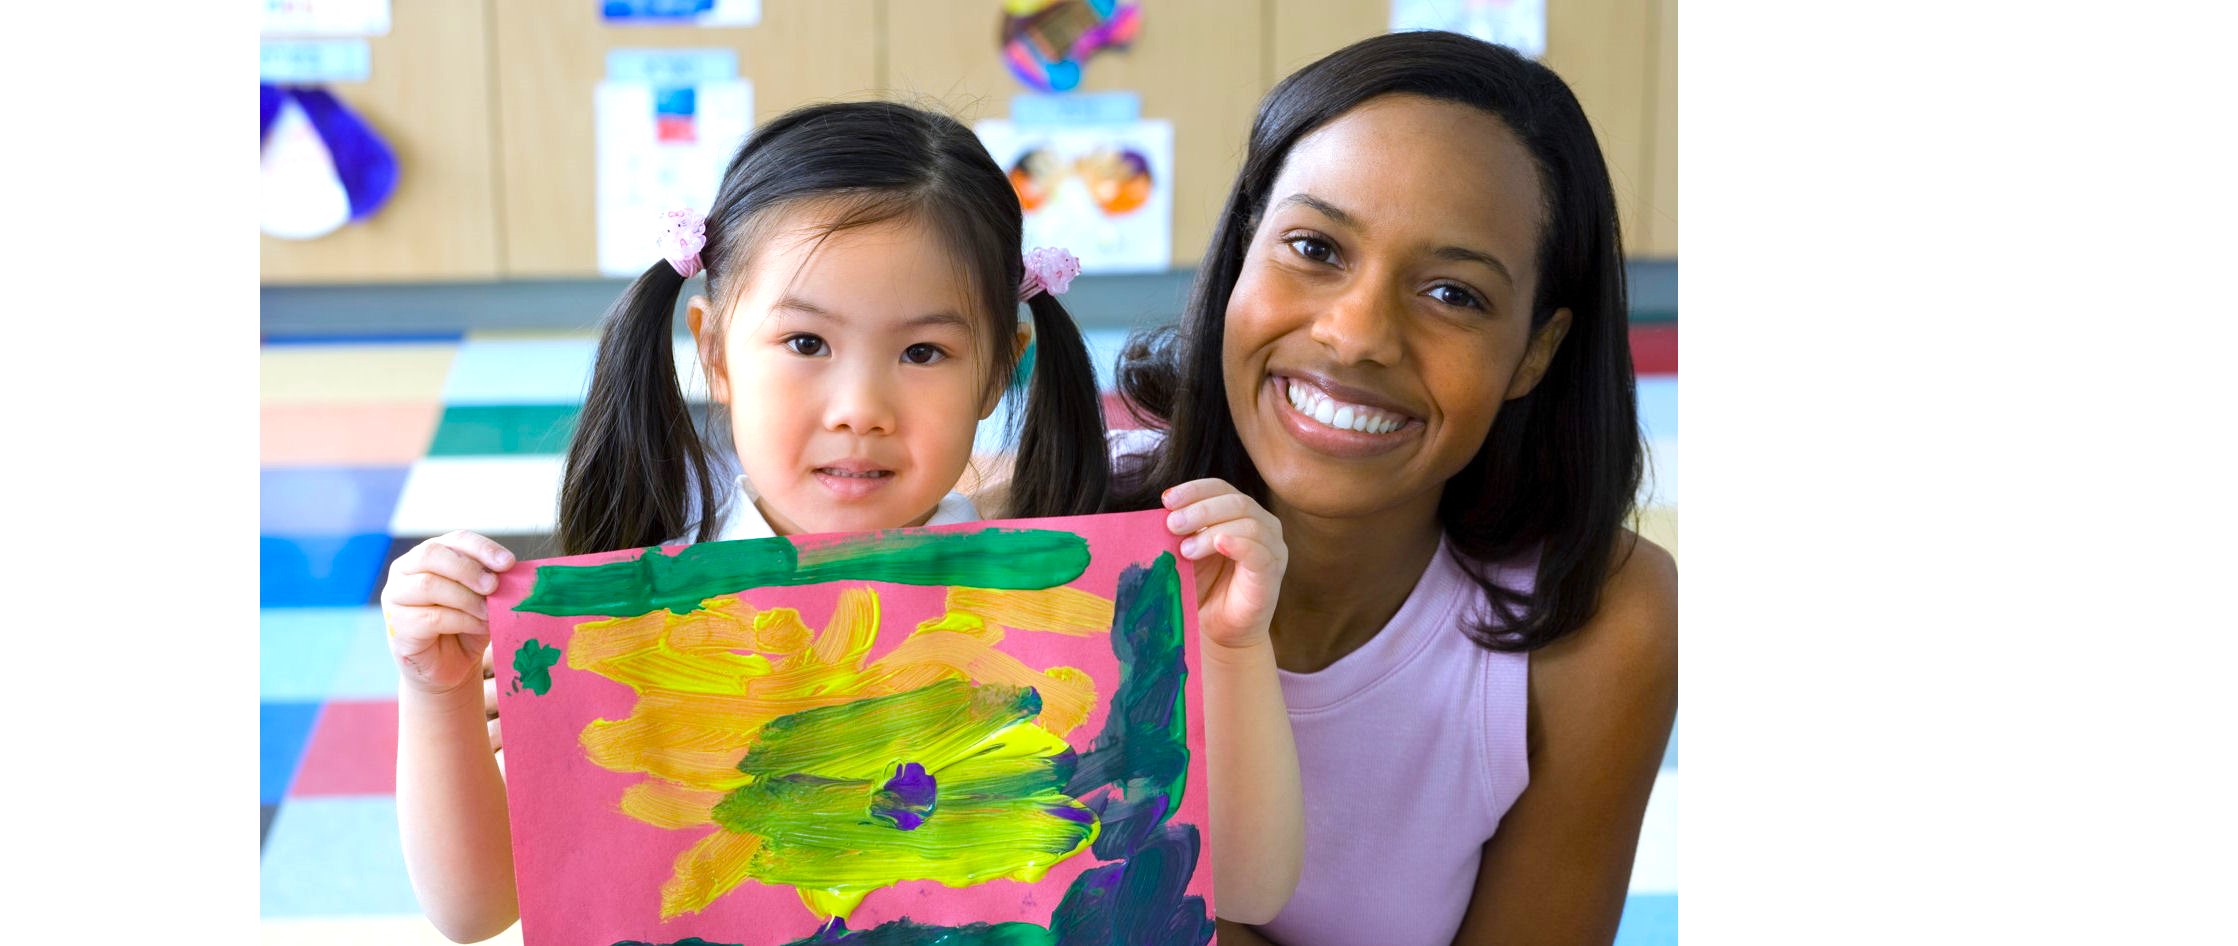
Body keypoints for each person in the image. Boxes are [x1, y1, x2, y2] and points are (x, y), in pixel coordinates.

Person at [379, 100, 1302, 942]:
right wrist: (435, 693)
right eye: (806, 343)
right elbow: (474, 910)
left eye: (924, 351)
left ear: (998, 368)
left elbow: (1251, 890)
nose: (860, 405)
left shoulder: (1086, 615)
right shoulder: (636, 638)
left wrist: (1228, 648)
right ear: (713, 347)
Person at [1109, 31, 1678, 946]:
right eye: (1313, 246)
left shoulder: (1605, 622)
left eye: (1453, 294)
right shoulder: (1060, 525)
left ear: (1535, 349)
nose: (1357, 334)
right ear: (1244, 249)